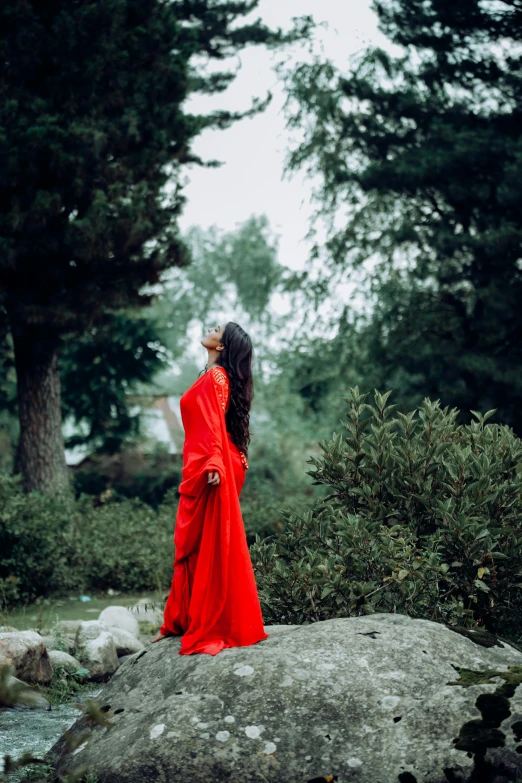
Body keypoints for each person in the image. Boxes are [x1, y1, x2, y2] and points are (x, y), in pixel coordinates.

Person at [150, 322, 269, 655]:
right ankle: (181, 620)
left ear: (222, 346)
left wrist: (215, 462)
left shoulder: (217, 377)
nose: (211, 328)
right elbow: (210, 423)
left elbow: (214, 422)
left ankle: (208, 623)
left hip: (214, 464)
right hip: (210, 461)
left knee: (209, 544)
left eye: (218, 328)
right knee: (199, 543)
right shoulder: (211, 375)